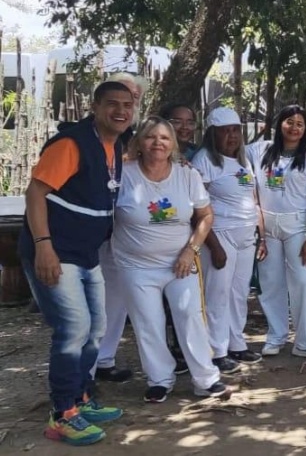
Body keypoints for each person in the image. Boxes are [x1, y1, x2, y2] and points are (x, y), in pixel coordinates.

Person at [18, 81, 133, 445]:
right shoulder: (72, 143)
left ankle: (81, 398)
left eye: (127, 105)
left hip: (86, 255)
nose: (120, 111)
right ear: (95, 107)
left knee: (95, 327)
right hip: (57, 251)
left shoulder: (115, 146)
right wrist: (44, 246)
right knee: (73, 329)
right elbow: (36, 192)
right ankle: (62, 414)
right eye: (112, 104)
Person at [111, 117, 230, 402]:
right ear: (139, 142)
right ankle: (159, 379)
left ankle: (206, 378)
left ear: (173, 144)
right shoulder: (122, 173)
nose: (158, 143)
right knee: (147, 322)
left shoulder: (186, 174)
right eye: (151, 137)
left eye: (164, 137)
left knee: (190, 315)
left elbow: (205, 215)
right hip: (135, 265)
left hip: (181, 262)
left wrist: (191, 250)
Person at [248, 105, 306, 360]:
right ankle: (276, 336)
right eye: (289, 121)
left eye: (300, 123)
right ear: (280, 123)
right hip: (267, 226)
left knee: (303, 282)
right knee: (270, 282)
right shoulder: (261, 150)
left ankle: (305, 342)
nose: (294, 128)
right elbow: (233, 154)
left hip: (297, 226)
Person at [193, 107, 266, 373]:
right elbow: (196, 209)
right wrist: (213, 245)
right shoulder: (205, 161)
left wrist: (261, 234)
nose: (232, 136)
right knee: (218, 294)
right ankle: (217, 350)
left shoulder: (243, 161)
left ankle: (237, 343)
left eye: (236, 130)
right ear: (213, 134)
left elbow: (252, 199)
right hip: (221, 236)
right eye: (225, 131)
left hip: (247, 235)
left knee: (238, 293)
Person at [94, 73, 148, 383]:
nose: (126, 107)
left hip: (126, 234)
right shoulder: (81, 137)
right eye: (119, 99)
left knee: (117, 296)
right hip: (92, 232)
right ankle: (82, 374)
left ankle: (105, 359)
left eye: (133, 100)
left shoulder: (137, 135)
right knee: (93, 299)